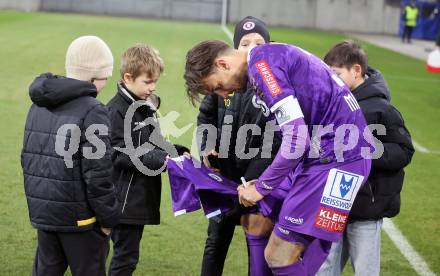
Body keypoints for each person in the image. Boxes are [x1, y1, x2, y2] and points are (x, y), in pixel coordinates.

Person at [184, 40, 373, 275]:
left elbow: (296, 139)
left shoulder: (262, 66)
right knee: (261, 222)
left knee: (279, 255)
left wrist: (263, 186)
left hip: (336, 161)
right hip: (325, 158)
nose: (224, 94)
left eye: (217, 87)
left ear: (223, 64)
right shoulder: (266, 58)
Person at [22, 36, 119, 276]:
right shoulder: (93, 110)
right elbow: (98, 172)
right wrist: (108, 219)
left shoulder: (38, 105)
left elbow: (28, 158)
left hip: (45, 214)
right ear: (96, 76)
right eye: (106, 75)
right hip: (81, 221)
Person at [316, 41, 414, 276]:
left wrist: (363, 153)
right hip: (332, 203)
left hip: (366, 208)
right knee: (323, 268)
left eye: (337, 74)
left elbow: (403, 150)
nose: (332, 80)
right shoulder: (332, 103)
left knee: (365, 271)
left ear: (356, 70)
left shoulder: (382, 109)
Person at [197, 16, 280, 276]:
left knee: (255, 245)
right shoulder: (225, 79)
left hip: (255, 184)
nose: (252, 48)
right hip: (224, 180)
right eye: (245, 44)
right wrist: (207, 147)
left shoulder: (275, 83)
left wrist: (254, 179)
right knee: (215, 242)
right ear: (234, 50)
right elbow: (206, 117)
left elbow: (278, 137)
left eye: (259, 42)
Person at [107, 44, 188, 276]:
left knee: (128, 256)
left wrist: (178, 153)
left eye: (155, 82)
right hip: (123, 200)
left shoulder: (146, 106)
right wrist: (163, 160)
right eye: (147, 82)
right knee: (125, 258)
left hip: (139, 197)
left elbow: (156, 142)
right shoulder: (116, 111)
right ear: (128, 77)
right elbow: (121, 152)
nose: (152, 88)